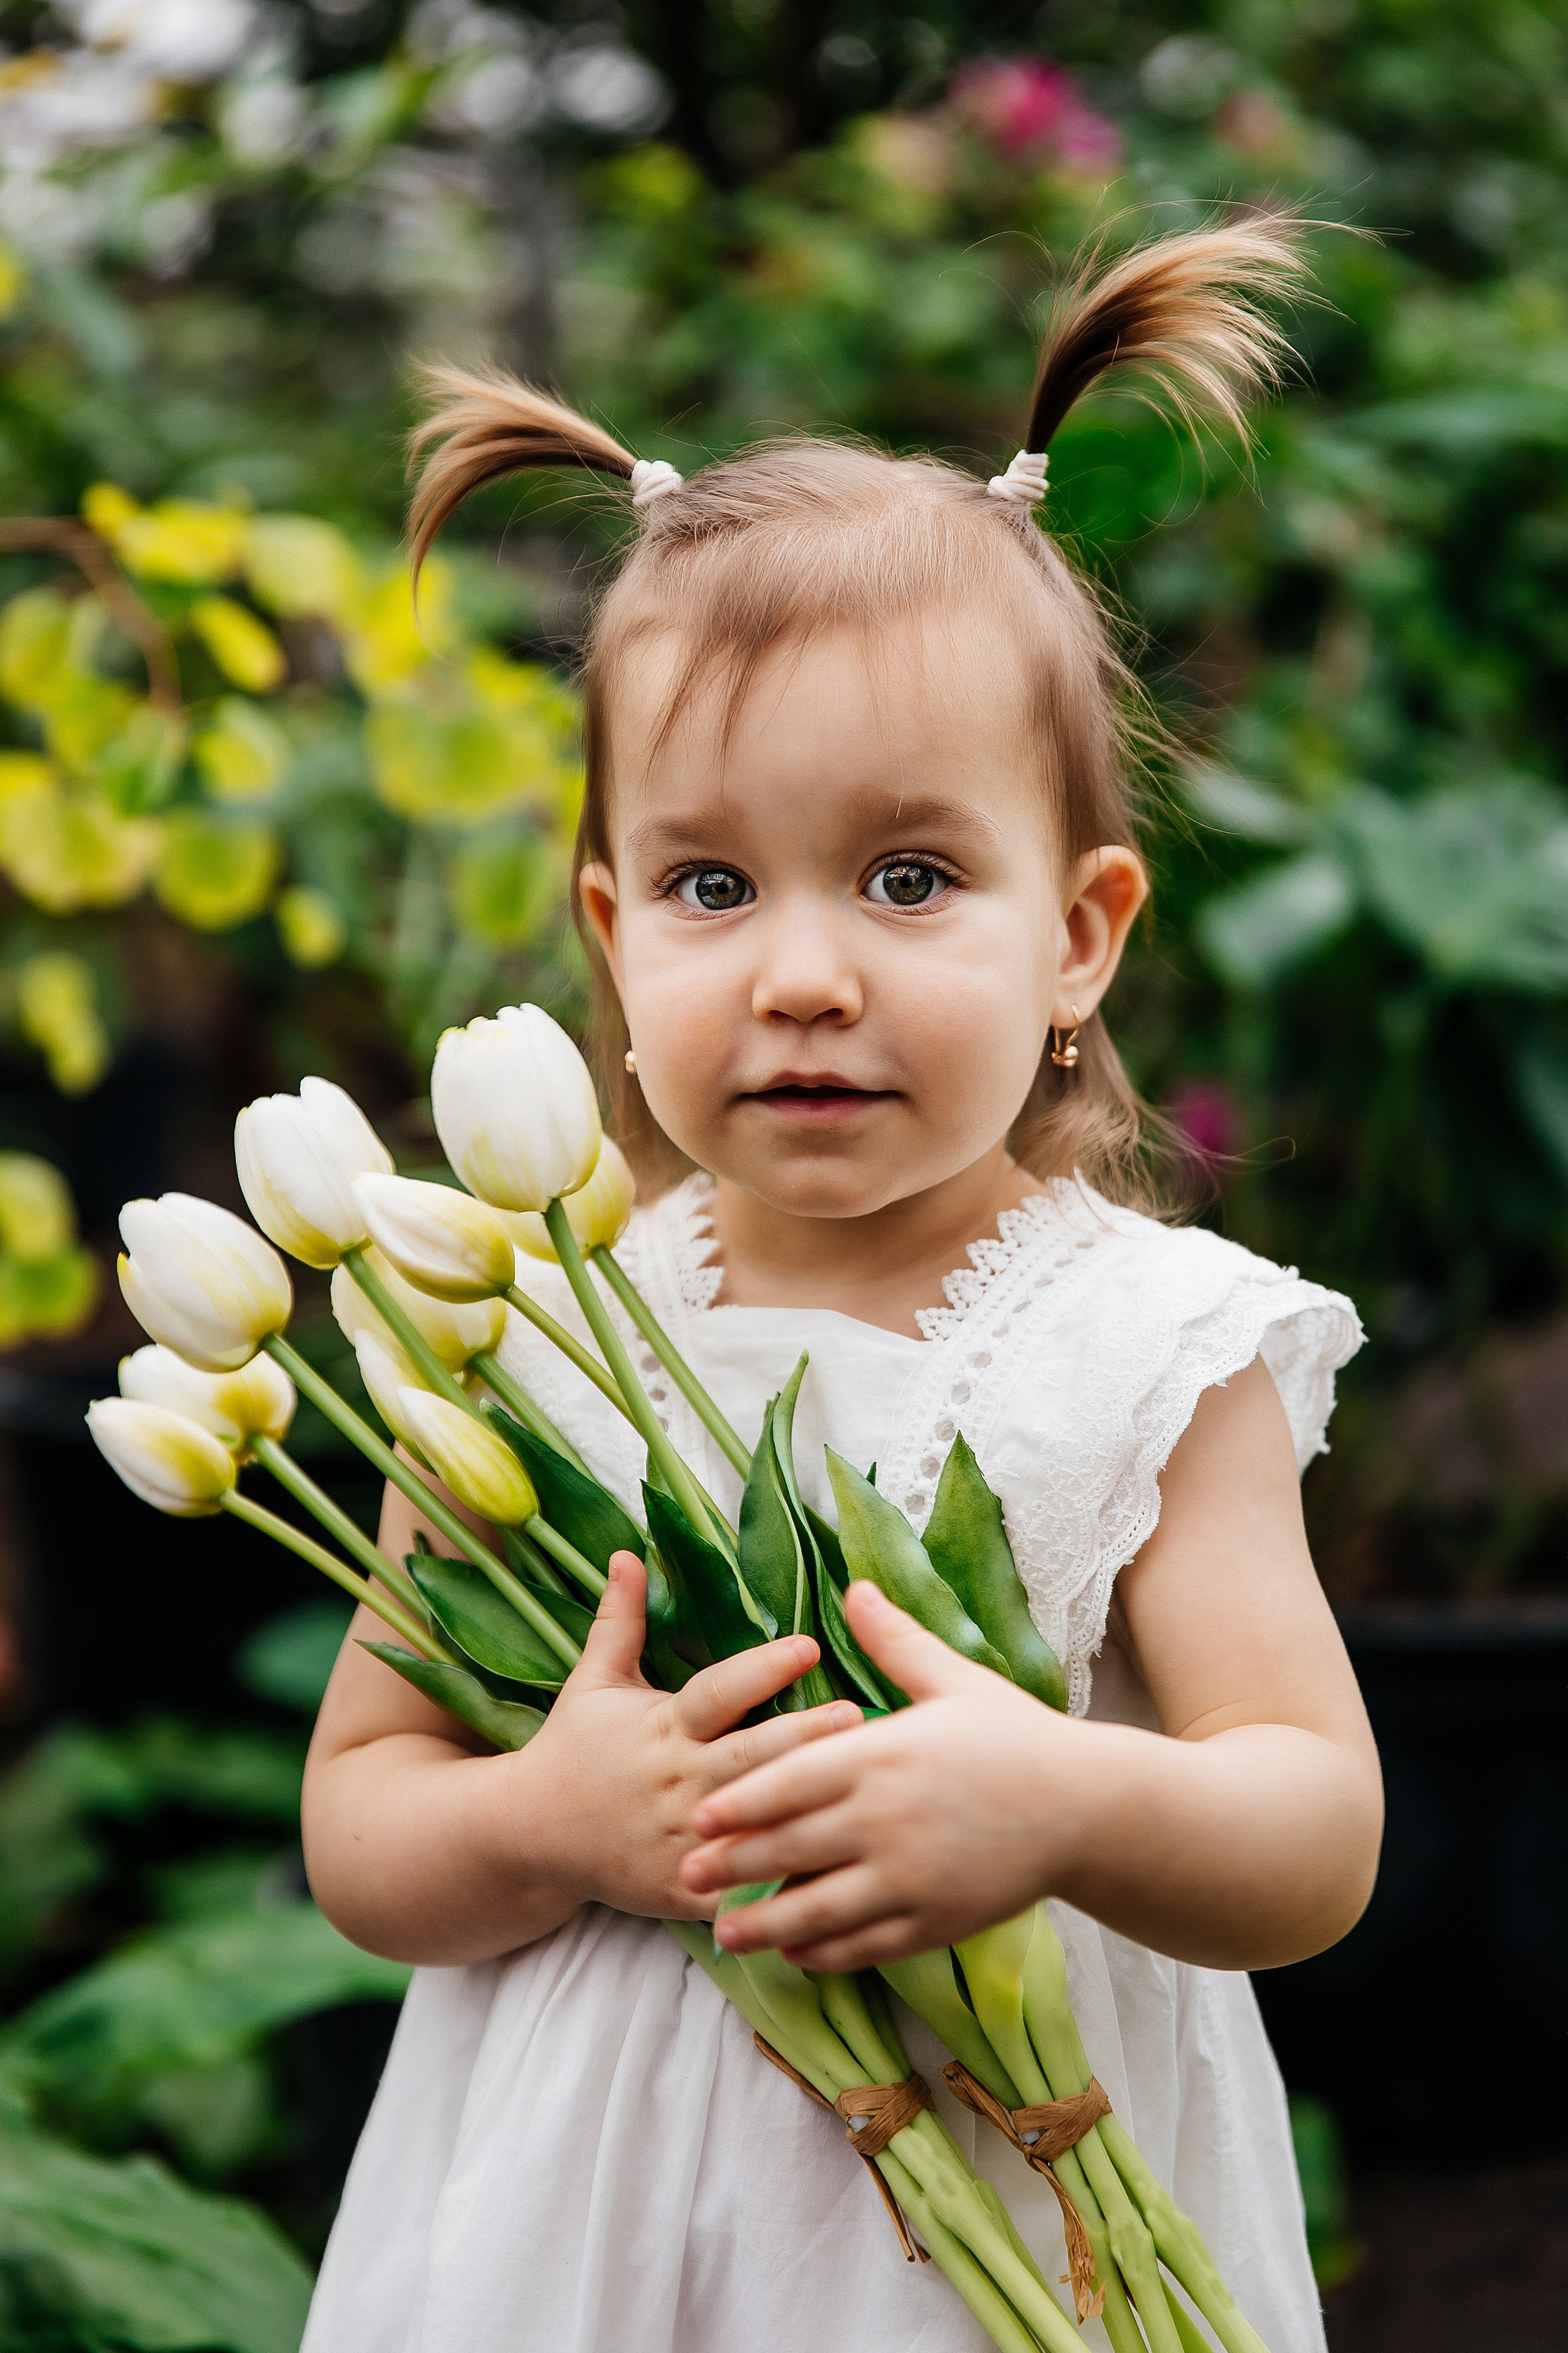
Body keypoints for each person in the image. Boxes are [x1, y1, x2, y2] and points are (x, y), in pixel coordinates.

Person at [300, 215, 1382, 2353]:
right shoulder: (524, 1328)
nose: (804, 972)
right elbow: (363, 1808)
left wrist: (1060, 1795)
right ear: (613, 934)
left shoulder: (1148, 1347)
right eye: (712, 883)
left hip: (1001, 2229)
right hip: (585, 2244)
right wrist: (548, 1817)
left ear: (1079, 934)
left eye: (909, 876)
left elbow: (1313, 1823)